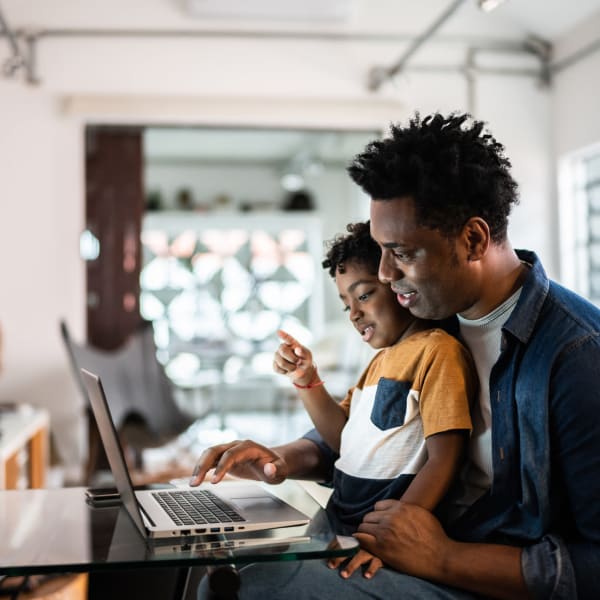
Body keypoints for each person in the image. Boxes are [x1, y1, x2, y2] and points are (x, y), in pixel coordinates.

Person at [192, 112, 600, 599]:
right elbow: (369, 432)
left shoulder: (576, 357)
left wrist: (445, 557)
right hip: (403, 549)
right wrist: (279, 458)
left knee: (260, 589)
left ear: (472, 239)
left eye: (402, 253)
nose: (384, 275)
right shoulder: (428, 317)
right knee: (220, 565)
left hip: (471, 575)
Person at [271, 221, 475, 575]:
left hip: (375, 541)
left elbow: (445, 458)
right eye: (345, 303)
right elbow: (341, 440)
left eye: (364, 295)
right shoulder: (380, 361)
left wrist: (390, 536)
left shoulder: (438, 351)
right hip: (338, 523)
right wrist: (307, 380)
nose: (353, 313)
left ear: (399, 285)